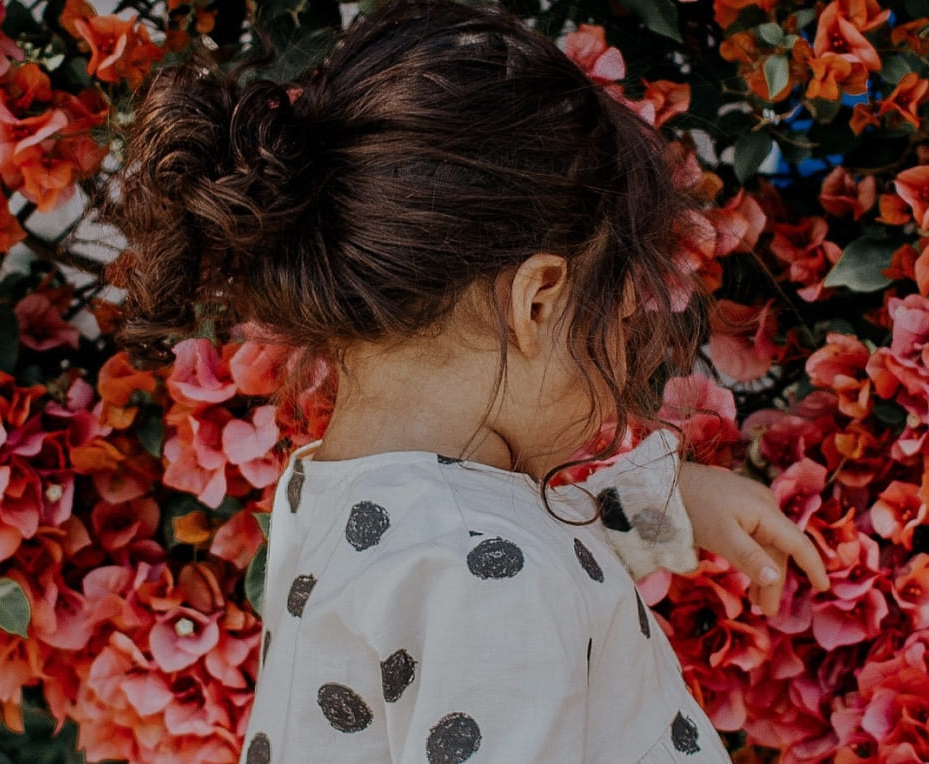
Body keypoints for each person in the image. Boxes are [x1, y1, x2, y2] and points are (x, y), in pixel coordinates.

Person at [106, 0, 831, 760]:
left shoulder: (338, 498)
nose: (627, 360)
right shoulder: (485, 581)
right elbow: (501, 569)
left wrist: (667, 505)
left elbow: (511, 548)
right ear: (537, 301)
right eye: (623, 320)